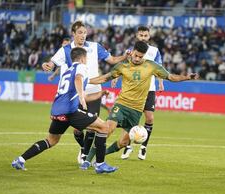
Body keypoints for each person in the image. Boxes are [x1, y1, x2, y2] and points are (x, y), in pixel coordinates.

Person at [80, 41, 199, 169]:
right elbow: (104, 78)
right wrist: (85, 81)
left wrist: (187, 77)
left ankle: (101, 155)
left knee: (123, 142)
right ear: (133, 52)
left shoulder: (151, 66)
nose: (137, 59)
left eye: (140, 57)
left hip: (136, 110)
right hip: (121, 104)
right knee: (107, 129)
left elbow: (170, 77)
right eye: (136, 55)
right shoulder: (122, 66)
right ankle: (88, 160)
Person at [12, 47, 117, 174]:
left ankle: (20, 159)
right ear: (83, 58)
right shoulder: (81, 67)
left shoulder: (67, 72)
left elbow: (85, 96)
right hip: (70, 111)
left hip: (57, 111)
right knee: (104, 127)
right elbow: (79, 81)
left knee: (51, 140)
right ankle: (100, 164)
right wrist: (80, 96)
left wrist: (100, 94)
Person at [42, 21, 127, 164]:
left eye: (84, 32)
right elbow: (52, 63)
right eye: (80, 33)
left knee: (93, 127)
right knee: (77, 130)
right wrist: (47, 65)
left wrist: (125, 56)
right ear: (73, 34)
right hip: (76, 93)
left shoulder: (94, 47)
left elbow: (112, 60)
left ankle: (85, 156)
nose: (83, 35)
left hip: (94, 90)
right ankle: (82, 147)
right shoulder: (66, 49)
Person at [112, 26, 164, 160]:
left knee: (150, 118)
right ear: (137, 36)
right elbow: (122, 66)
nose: (143, 37)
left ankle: (143, 146)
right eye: (141, 35)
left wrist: (160, 82)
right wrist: (116, 78)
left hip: (149, 88)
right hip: (132, 90)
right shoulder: (130, 51)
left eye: (145, 35)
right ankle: (127, 146)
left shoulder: (154, 51)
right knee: (131, 120)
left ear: (149, 36)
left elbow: (159, 68)